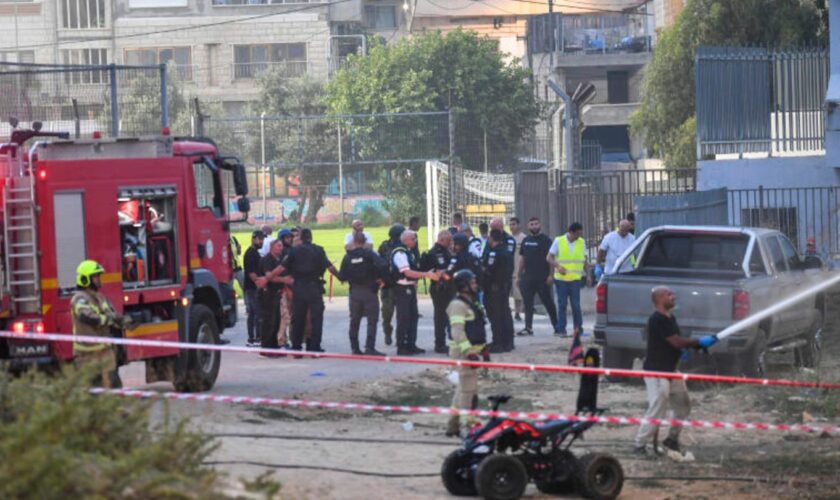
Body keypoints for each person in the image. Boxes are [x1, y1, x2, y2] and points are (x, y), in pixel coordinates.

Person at [634, 287, 717, 456]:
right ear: (658, 299)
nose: (673, 297)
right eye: (669, 295)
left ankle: (671, 440)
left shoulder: (670, 318)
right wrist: (697, 342)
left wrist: (686, 349)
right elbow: (676, 341)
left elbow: (674, 343)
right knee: (658, 407)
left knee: (683, 406)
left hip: (671, 371)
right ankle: (640, 445)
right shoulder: (656, 319)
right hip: (656, 372)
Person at [260, 228, 339, 352]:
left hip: (299, 288)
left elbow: (281, 268)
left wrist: (267, 278)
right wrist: (341, 277)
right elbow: (330, 267)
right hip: (314, 287)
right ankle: (314, 347)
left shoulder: (294, 251)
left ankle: (296, 347)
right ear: (311, 238)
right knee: (316, 318)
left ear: (301, 238)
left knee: (298, 318)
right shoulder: (319, 250)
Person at [71, 260, 130, 388]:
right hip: (87, 357)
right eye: (96, 276)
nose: (99, 279)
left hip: (106, 355)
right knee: (93, 394)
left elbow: (111, 314)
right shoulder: (79, 298)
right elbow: (85, 316)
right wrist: (106, 320)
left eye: (99, 276)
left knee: (115, 390)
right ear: (86, 279)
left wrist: (121, 321)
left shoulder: (100, 297)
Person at [445, 269, 488, 437]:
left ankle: (453, 426)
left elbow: (477, 329)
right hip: (462, 354)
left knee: (463, 390)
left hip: (472, 353)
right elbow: (458, 332)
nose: (475, 285)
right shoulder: (457, 306)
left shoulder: (471, 303)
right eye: (472, 282)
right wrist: (469, 352)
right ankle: (468, 426)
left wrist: (484, 349)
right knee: (468, 392)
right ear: (463, 286)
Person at [391, 230, 441, 355]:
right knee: (403, 318)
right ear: (406, 239)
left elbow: (414, 269)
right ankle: (401, 346)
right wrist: (427, 275)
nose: (415, 241)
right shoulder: (400, 253)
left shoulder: (408, 252)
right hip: (402, 288)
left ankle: (411, 344)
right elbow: (407, 272)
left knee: (413, 317)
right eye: (413, 239)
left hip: (410, 288)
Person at [339, 231, 387, 356]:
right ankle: (369, 347)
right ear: (365, 242)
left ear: (353, 241)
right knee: (372, 320)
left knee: (354, 320)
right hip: (370, 291)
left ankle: (355, 348)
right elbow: (383, 265)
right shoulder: (369, 254)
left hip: (354, 291)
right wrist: (380, 278)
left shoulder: (347, 257)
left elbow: (342, 276)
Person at [516, 217, 559, 336]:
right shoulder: (526, 240)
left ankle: (556, 326)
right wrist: (519, 276)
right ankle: (528, 327)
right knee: (528, 303)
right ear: (528, 226)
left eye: (536, 224)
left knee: (548, 302)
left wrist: (551, 275)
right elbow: (522, 259)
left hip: (543, 278)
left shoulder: (546, 240)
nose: (534, 226)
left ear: (539, 225)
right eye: (532, 224)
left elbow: (551, 259)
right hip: (528, 278)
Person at [547, 222, 591, 337]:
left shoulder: (581, 242)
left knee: (576, 305)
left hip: (575, 279)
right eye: (577, 233)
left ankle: (578, 329)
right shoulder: (559, 240)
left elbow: (585, 260)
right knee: (562, 305)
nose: (579, 236)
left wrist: (589, 275)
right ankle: (561, 329)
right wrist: (558, 266)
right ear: (571, 232)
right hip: (561, 279)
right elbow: (549, 257)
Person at [420, 230, 453, 353]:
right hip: (440, 289)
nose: (451, 243)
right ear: (442, 239)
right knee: (440, 317)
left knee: (446, 316)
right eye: (449, 240)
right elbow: (441, 270)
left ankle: (443, 342)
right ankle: (439, 344)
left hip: (448, 288)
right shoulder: (436, 253)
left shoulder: (445, 251)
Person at [482, 229, 515, 353]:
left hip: (494, 289)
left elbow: (488, 271)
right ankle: (508, 342)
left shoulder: (494, 253)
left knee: (496, 317)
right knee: (505, 314)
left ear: (491, 239)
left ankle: (498, 342)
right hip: (504, 287)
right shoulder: (507, 252)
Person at [258, 239, 291, 354]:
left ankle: (273, 345)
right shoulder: (267, 260)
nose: (281, 248)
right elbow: (269, 276)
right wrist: (284, 280)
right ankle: (266, 348)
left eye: (281, 246)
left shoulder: (278, 260)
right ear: (272, 247)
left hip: (277, 293)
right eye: (278, 246)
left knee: (276, 320)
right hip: (268, 293)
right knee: (269, 320)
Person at [378, 223, 405, 346]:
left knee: (403, 314)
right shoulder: (384, 246)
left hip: (401, 284)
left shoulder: (405, 246)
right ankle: (387, 332)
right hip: (388, 285)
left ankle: (401, 337)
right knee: (387, 313)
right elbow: (378, 262)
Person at [243, 230, 265, 347]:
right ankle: (256, 338)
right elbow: (252, 274)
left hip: (251, 288)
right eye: (260, 239)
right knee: (257, 313)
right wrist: (261, 285)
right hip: (252, 288)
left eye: (263, 239)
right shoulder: (251, 254)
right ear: (254, 239)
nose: (262, 241)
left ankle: (251, 338)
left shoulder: (255, 252)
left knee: (252, 313)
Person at [276, 229, 294, 347]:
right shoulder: (283, 252)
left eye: (290, 237)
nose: (289, 239)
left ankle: (289, 339)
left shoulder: (290, 250)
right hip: (284, 287)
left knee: (291, 315)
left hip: (291, 286)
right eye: (286, 237)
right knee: (285, 315)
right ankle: (282, 339)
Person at [508, 217, 526, 321]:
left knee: (518, 293)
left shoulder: (524, 238)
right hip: (508, 269)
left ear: (519, 225)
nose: (512, 226)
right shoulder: (508, 238)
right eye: (510, 224)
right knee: (510, 293)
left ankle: (518, 312)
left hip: (518, 269)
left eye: (514, 224)